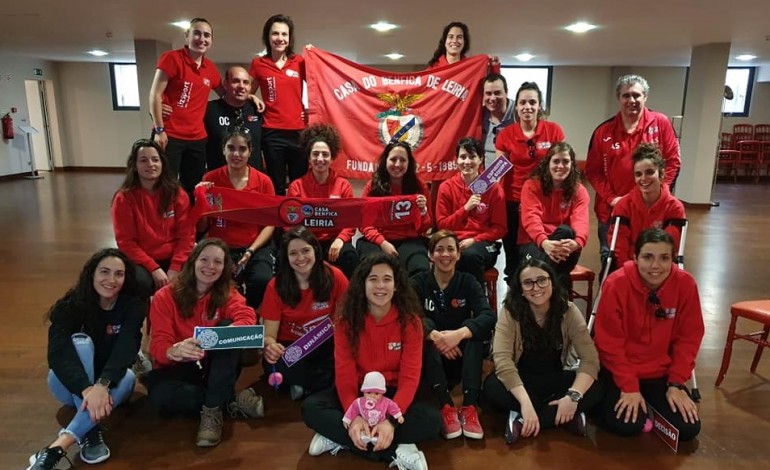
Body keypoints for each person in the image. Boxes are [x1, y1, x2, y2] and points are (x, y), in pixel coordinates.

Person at [301, 254, 442, 470]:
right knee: (311, 408)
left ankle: (344, 439)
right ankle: (396, 450)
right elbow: (345, 374)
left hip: (392, 395)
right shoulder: (346, 321)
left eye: (387, 279)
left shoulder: (411, 322)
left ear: (396, 286)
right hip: (359, 394)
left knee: (433, 421)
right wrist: (355, 417)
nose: (380, 286)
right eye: (373, 279)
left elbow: (409, 377)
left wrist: (391, 421)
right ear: (362, 284)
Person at [27, 249, 145, 470]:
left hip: (109, 385)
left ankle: (55, 449)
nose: (111, 280)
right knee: (81, 343)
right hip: (68, 385)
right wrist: (88, 390)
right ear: (91, 274)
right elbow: (58, 354)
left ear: (126, 278)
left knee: (128, 378)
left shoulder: (133, 306)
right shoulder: (71, 305)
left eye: (119, 274)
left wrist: (102, 385)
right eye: (104, 272)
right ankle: (90, 431)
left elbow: (127, 348)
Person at [145, 239, 263, 448]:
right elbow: (158, 346)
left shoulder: (228, 293)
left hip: (216, 366)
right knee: (160, 398)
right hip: (181, 368)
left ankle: (211, 411)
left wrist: (226, 334)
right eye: (204, 259)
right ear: (192, 262)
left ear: (224, 268)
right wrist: (175, 351)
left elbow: (247, 316)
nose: (210, 266)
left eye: (217, 262)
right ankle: (226, 399)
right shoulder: (165, 296)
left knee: (229, 327)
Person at [594, 229, 703, 441]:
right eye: (647, 257)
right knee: (626, 426)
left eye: (664, 258)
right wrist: (629, 386)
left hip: (660, 374)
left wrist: (677, 383)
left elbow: (689, 338)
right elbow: (608, 343)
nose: (655, 266)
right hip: (619, 371)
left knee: (688, 430)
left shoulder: (685, 284)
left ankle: (649, 406)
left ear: (673, 259)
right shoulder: (616, 284)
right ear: (635, 258)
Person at [483, 258, 603, 444]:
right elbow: (503, 361)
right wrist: (525, 403)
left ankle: (524, 420)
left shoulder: (568, 311)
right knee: (491, 388)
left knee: (597, 386)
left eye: (542, 280)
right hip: (521, 382)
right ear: (520, 290)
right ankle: (564, 417)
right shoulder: (510, 312)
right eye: (528, 283)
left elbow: (590, 359)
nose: (536, 287)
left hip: (556, 380)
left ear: (552, 283)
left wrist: (572, 396)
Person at [585, 75, 681, 271]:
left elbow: (673, 162)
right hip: (612, 212)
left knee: (654, 267)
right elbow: (593, 172)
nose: (632, 100)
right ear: (618, 98)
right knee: (612, 267)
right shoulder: (603, 131)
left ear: (645, 97)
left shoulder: (661, 124)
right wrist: (612, 199)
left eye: (636, 95)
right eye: (626, 96)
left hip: (653, 212)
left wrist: (657, 195)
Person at [410, 230, 495, 440]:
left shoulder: (468, 281)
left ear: (458, 254)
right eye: (439, 249)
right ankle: (446, 405)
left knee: (473, 330)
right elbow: (406, 317)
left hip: (461, 355)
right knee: (424, 325)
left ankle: (469, 406)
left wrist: (458, 335)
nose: (445, 254)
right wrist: (435, 337)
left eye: (450, 249)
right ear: (430, 255)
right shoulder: (418, 282)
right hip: (432, 358)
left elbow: (488, 315)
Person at [261, 226, 349, 400]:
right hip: (291, 346)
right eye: (293, 253)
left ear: (315, 250)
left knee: (347, 358)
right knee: (274, 364)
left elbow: (346, 319)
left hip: (326, 342)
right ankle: (322, 385)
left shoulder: (334, 276)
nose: (301, 258)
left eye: (305, 251)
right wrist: (270, 346)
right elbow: (269, 336)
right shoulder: (275, 286)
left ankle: (306, 386)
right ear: (286, 257)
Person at [197, 128, 276, 310]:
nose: (236, 154)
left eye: (242, 149)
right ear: (223, 150)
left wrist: (250, 251)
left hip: (254, 246)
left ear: (250, 152)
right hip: (220, 247)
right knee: (217, 284)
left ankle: (249, 316)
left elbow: (270, 224)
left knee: (262, 280)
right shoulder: (210, 179)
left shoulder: (263, 181)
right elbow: (202, 227)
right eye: (231, 148)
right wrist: (201, 201)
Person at [495, 81, 565, 283]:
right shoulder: (506, 134)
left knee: (538, 251)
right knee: (513, 255)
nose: (527, 107)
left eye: (532, 102)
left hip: (544, 201)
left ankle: (539, 290)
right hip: (513, 201)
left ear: (539, 106)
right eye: (522, 102)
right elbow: (498, 171)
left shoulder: (554, 131)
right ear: (516, 106)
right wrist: (482, 191)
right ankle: (513, 300)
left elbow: (561, 163)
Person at [149, 18, 223, 199]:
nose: (201, 39)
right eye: (197, 33)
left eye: (207, 35)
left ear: (211, 40)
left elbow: (227, 95)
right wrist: (159, 129)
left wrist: (251, 96)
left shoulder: (210, 68)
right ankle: (164, 225)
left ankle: (188, 225)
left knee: (192, 188)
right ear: (187, 35)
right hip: (169, 135)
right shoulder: (172, 58)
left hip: (197, 139)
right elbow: (154, 95)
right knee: (164, 185)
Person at [111, 139, 194, 297]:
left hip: (175, 257)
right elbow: (126, 242)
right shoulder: (124, 198)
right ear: (134, 166)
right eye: (143, 160)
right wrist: (153, 268)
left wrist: (175, 267)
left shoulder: (177, 194)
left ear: (162, 163)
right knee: (139, 283)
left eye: (155, 159)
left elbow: (187, 235)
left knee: (196, 278)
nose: (151, 164)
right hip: (142, 260)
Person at [287, 123, 359, 278]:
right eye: (315, 154)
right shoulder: (296, 187)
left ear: (332, 158)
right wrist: (304, 246)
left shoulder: (343, 185)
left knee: (350, 256)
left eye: (325, 154)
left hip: (333, 241)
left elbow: (352, 220)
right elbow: (289, 222)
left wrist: (341, 239)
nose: (320, 159)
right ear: (309, 157)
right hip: (305, 242)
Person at [435, 137, 506, 287]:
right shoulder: (446, 187)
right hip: (454, 242)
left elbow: (500, 228)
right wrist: (465, 209)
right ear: (456, 160)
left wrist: (474, 240)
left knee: (470, 256)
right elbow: (442, 225)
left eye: (472, 156)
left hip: (482, 244)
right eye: (462, 157)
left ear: (481, 159)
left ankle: (475, 304)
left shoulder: (493, 188)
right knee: (447, 256)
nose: (467, 162)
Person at [518, 142, 589, 290]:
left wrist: (577, 243)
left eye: (566, 161)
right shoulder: (531, 185)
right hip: (535, 242)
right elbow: (531, 218)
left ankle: (527, 301)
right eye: (556, 161)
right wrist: (545, 243)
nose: (561, 166)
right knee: (560, 274)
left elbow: (581, 220)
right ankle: (559, 310)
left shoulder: (579, 190)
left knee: (566, 231)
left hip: (565, 247)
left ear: (572, 164)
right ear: (547, 163)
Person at [250, 14, 307, 195]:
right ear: (267, 37)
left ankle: (299, 223)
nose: (280, 38)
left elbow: (319, 85)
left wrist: (316, 56)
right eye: (275, 34)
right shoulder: (258, 63)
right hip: (272, 132)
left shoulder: (300, 62)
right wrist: (253, 97)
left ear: (290, 38)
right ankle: (278, 224)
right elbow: (246, 92)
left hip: (299, 132)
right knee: (276, 184)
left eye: (284, 34)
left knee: (299, 182)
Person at [357, 142, 432, 277]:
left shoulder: (419, 186)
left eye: (403, 160)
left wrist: (423, 212)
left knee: (420, 267)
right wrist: (383, 242)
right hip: (378, 240)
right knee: (372, 267)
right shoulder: (373, 186)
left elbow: (425, 228)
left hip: (410, 240)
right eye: (393, 159)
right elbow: (364, 223)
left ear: (409, 163)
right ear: (385, 161)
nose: (397, 164)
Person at [609, 143, 686, 265]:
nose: (643, 178)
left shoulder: (674, 207)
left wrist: (650, 269)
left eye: (649, 172)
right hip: (629, 265)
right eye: (638, 174)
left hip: (661, 268)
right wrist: (632, 268)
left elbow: (670, 248)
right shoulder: (623, 205)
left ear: (661, 174)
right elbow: (619, 247)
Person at [203, 66, 263, 172]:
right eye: (236, 81)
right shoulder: (209, 110)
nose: (241, 86)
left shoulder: (258, 110)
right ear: (225, 84)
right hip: (218, 181)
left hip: (253, 183)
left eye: (245, 82)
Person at [342, 371, 404, 435]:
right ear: (364, 392)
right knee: (361, 432)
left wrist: (398, 416)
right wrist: (347, 419)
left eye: (376, 393)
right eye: (369, 393)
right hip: (364, 423)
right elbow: (352, 410)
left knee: (382, 434)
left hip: (380, 423)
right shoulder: (359, 402)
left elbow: (393, 407)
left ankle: (377, 438)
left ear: (382, 394)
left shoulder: (386, 402)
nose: (372, 396)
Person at [426, 21, 500, 72]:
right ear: (445, 42)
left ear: (464, 42)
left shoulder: (471, 68)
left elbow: (490, 87)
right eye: (451, 37)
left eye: (459, 37)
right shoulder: (433, 69)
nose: (455, 41)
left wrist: (494, 68)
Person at [481, 73, 515, 169]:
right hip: (486, 179)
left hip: (514, 179)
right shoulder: (478, 116)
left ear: (506, 92)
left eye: (497, 93)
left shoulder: (519, 113)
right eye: (488, 93)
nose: (492, 98)